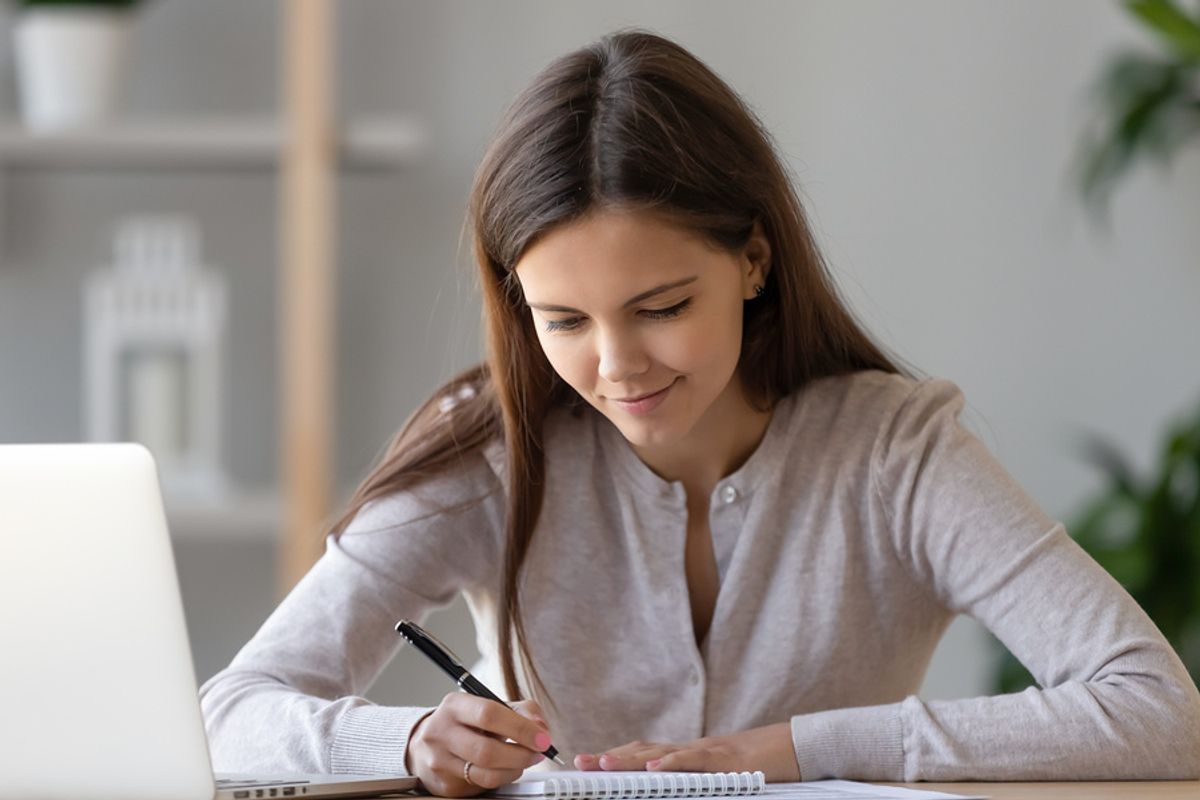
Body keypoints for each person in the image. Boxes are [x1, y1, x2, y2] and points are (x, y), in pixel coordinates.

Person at [199, 28, 1200, 796]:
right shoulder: (488, 448)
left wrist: (800, 748)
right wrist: (410, 737)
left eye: (663, 307)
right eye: (562, 319)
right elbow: (226, 711)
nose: (616, 363)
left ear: (753, 261)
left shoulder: (895, 451)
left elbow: (1159, 709)